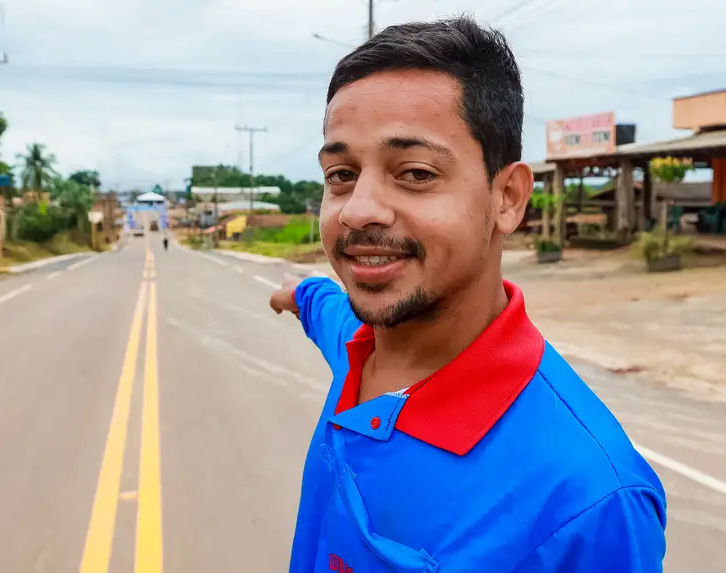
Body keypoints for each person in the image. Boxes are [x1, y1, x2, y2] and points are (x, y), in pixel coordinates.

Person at [269, 16, 667, 573]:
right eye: (340, 174)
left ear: (507, 198)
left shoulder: (588, 501)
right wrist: (297, 294)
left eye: (414, 172)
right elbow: (326, 309)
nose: (357, 209)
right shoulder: (364, 347)